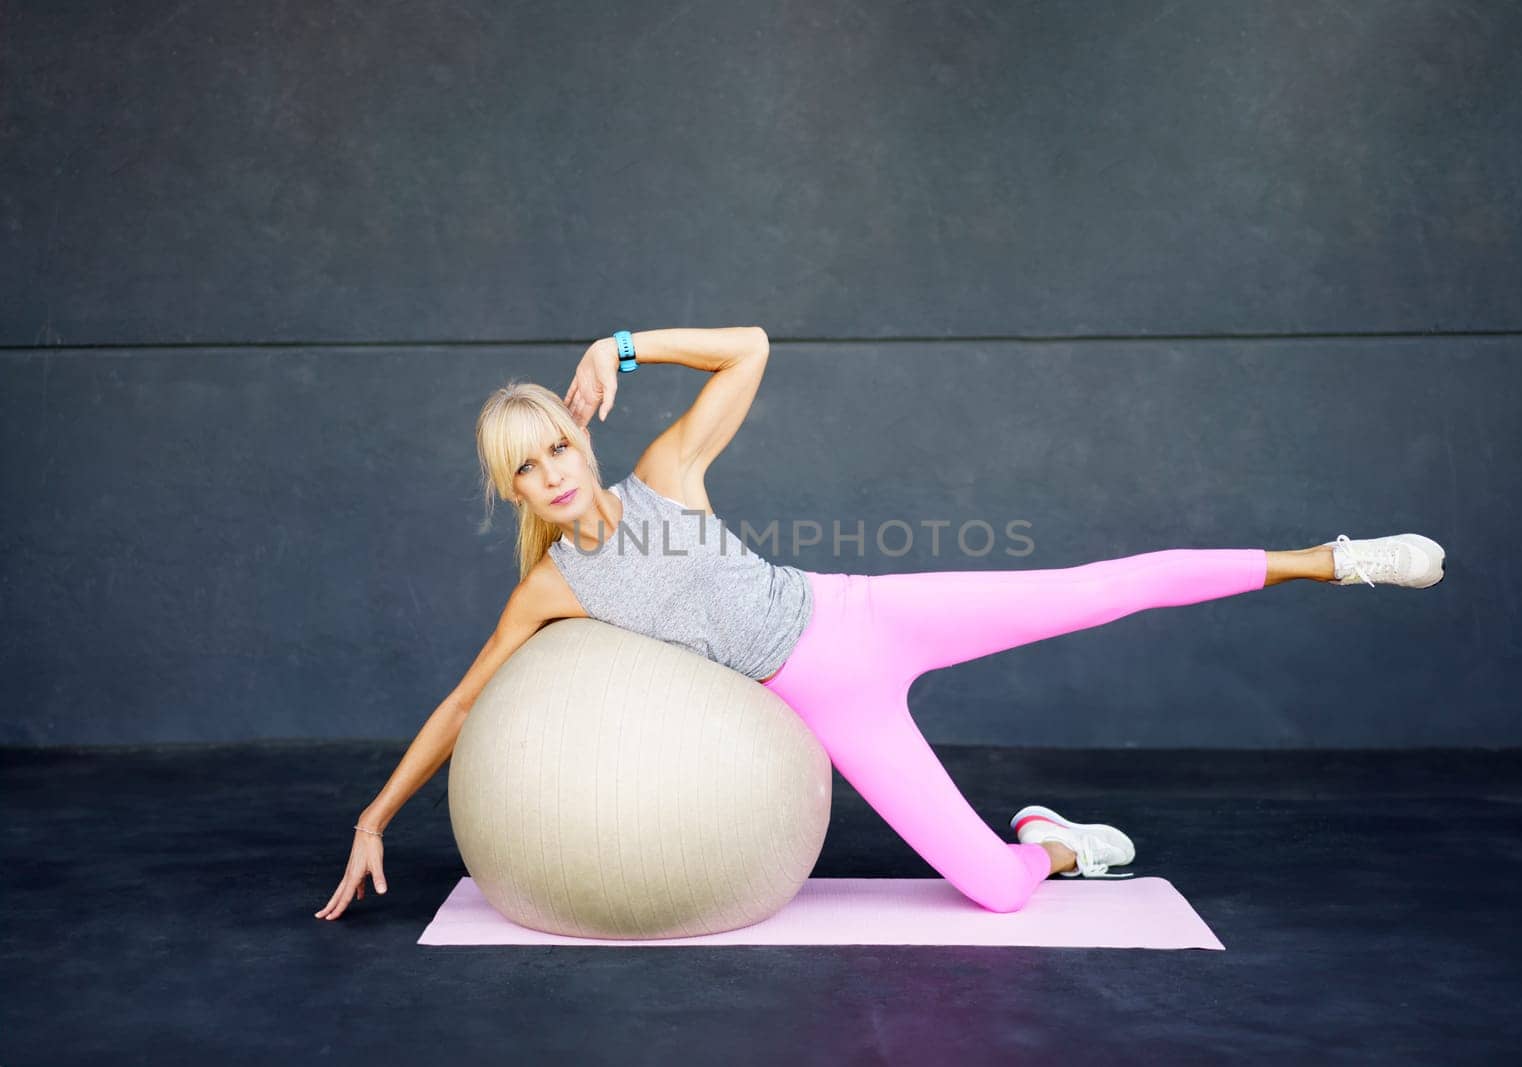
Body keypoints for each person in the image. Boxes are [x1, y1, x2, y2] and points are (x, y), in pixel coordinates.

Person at [316, 325, 1446, 920]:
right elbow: (466, 702)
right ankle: (1051, 835)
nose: (550, 472)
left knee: (1110, 582)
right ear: (511, 490)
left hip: (867, 612)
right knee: (998, 891)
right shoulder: (551, 590)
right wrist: (375, 816)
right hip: (827, 706)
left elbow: (751, 344)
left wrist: (620, 347)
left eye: (556, 443)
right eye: (524, 469)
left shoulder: (667, 470)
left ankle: (1336, 559)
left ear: (583, 435)